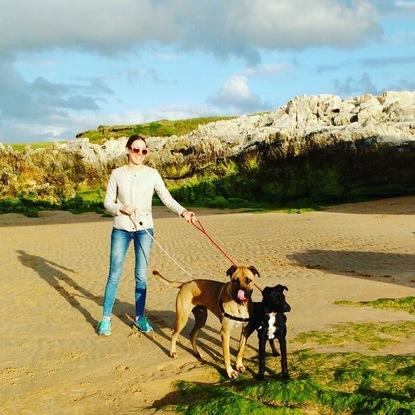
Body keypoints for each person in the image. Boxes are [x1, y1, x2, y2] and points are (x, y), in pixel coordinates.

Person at [97, 134, 196, 336]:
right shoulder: (117, 173)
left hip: (144, 230)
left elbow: (166, 198)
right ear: (127, 150)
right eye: (136, 150)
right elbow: (107, 203)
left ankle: (139, 318)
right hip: (121, 229)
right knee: (114, 274)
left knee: (141, 276)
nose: (140, 154)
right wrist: (121, 208)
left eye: (143, 151)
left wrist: (184, 212)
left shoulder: (152, 174)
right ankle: (106, 319)